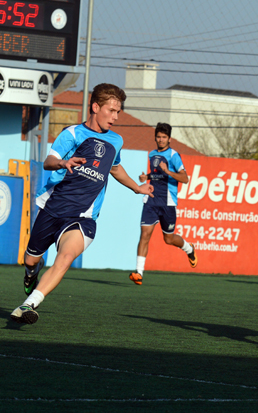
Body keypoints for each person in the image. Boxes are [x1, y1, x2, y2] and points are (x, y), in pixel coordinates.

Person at [11, 84, 154, 325]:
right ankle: (30, 274)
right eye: (111, 110)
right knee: (30, 260)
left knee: (65, 257)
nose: (116, 117)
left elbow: (115, 169)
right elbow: (49, 161)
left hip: (83, 218)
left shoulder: (116, 140)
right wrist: (64, 163)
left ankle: (29, 304)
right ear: (95, 107)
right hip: (53, 208)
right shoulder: (73, 133)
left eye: (118, 112)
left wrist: (136, 187)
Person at [128, 123, 197, 285]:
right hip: (151, 200)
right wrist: (147, 178)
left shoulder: (173, 155)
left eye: (164, 137)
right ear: (155, 137)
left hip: (168, 204)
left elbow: (185, 178)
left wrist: (168, 171)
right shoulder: (152, 154)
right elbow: (157, 175)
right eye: (158, 137)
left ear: (169, 139)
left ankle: (189, 249)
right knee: (145, 235)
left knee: (169, 239)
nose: (161, 140)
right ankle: (139, 273)